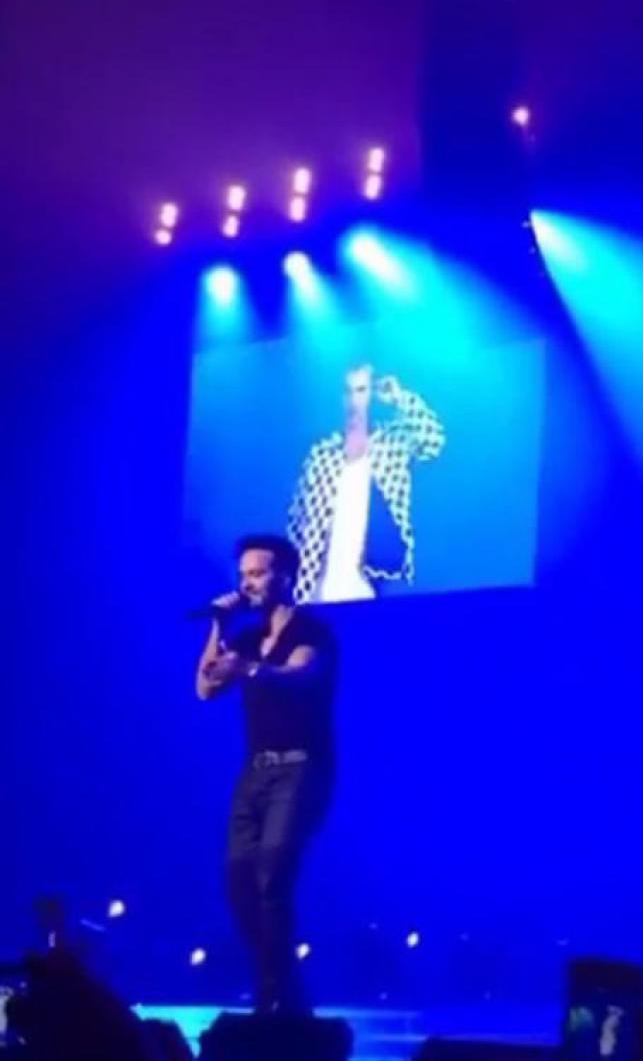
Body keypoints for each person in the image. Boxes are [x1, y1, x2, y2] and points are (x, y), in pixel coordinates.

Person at [196, 533, 337, 1014]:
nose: (248, 584)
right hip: (254, 773)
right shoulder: (247, 639)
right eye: (244, 575)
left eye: (257, 573)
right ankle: (281, 986)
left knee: (272, 876)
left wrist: (250, 669)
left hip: (301, 769)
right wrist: (219, 625)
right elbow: (205, 688)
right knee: (238, 883)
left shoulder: (312, 632)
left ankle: (275, 994)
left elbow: (300, 676)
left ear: (286, 576)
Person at [288, 362, 446, 604]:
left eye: (361, 390)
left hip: (373, 586)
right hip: (317, 592)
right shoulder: (321, 453)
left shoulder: (392, 443)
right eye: (348, 391)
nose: (354, 400)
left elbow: (432, 440)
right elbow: (297, 521)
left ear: (373, 394)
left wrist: (399, 396)